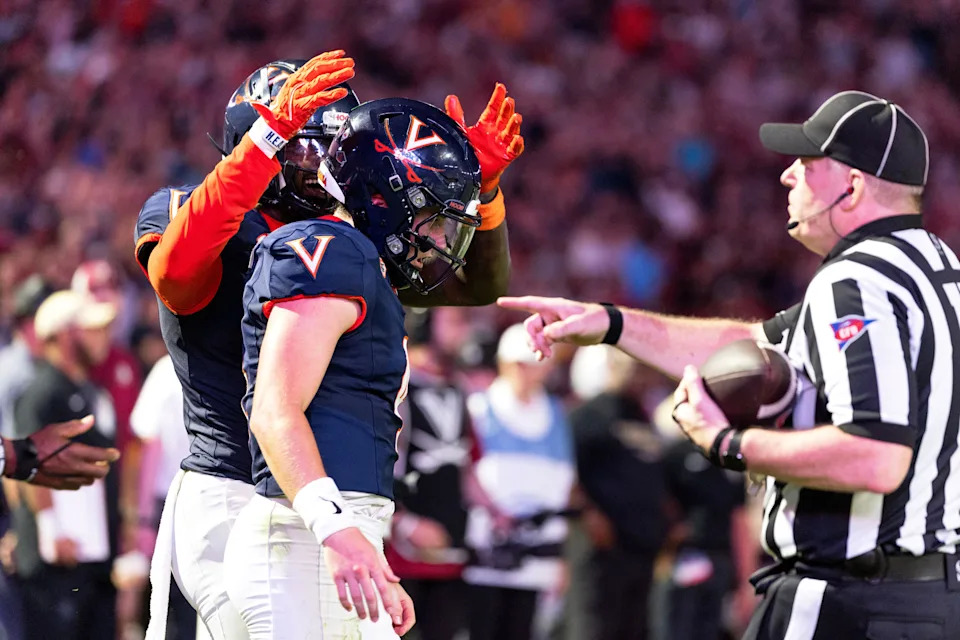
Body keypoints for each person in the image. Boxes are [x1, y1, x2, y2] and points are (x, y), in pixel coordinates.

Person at [499, 90, 960, 639]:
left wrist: (729, 444)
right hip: (931, 597)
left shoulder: (856, 280)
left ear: (853, 186)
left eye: (808, 165)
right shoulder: (940, 271)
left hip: (847, 597)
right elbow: (747, 343)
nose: (789, 176)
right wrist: (610, 322)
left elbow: (876, 456)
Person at [134, 50, 522, 639]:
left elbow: (473, 286)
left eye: (333, 143)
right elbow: (175, 273)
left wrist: (479, 189)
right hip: (231, 489)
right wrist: (269, 137)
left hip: (318, 495)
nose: (321, 163)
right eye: (303, 143)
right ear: (255, 140)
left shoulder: (347, 235)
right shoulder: (195, 210)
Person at [222, 97, 487, 638]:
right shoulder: (331, 251)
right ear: (384, 197)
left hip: (329, 533)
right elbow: (275, 410)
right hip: (302, 537)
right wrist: (337, 530)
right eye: (431, 217)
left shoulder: (363, 264)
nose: (438, 239)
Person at [12, 289, 120, 640]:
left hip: (93, 561)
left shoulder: (94, 392)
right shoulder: (41, 394)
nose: (102, 335)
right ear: (63, 335)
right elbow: (28, 462)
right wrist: (50, 531)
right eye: (91, 328)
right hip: (56, 565)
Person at [462, 323, 575, 640]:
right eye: (524, 366)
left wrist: (560, 554)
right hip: (487, 555)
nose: (533, 374)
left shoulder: (556, 414)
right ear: (506, 364)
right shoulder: (480, 407)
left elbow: (563, 484)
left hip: (539, 558)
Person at [567, 345, 670, 640]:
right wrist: (589, 515)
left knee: (634, 631)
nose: (642, 377)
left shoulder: (643, 418)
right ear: (612, 366)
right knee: (594, 629)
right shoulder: (588, 414)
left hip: (642, 547)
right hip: (601, 550)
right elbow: (568, 475)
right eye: (634, 368)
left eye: (646, 370)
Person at [386, 309, 475, 640]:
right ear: (425, 324)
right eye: (455, 321)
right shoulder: (400, 384)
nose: (464, 331)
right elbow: (380, 466)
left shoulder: (460, 389)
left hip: (451, 549)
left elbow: (471, 466)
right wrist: (406, 523)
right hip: (402, 554)